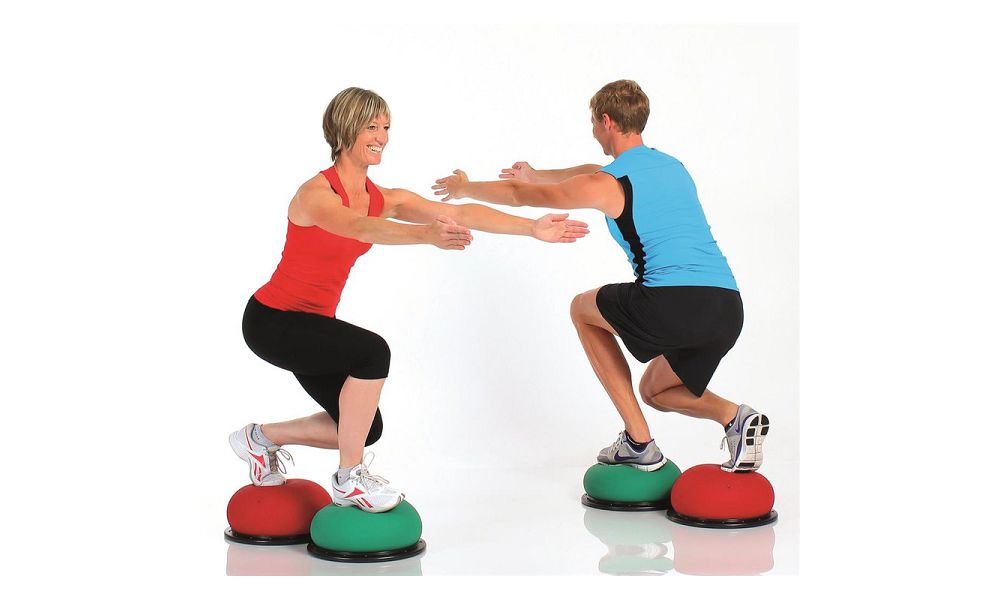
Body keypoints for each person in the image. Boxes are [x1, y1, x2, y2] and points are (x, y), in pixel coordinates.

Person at [230, 87, 590, 513]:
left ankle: (259, 438)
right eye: (372, 127)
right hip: (272, 321)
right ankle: (349, 479)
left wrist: (531, 228)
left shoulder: (382, 197)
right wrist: (425, 236)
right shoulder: (315, 195)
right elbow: (359, 228)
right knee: (371, 353)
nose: (382, 137)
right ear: (346, 128)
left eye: (386, 127)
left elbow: (459, 214)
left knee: (364, 428)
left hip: (312, 324)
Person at [432, 80, 768, 473]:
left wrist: (466, 187)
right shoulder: (672, 166)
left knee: (582, 309)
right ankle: (735, 417)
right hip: (726, 307)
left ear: (606, 121)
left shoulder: (609, 183)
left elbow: (520, 196)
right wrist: (538, 174)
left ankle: (639, 442)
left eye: (594, 123)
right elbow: (589, 172)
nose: (593, 132)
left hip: (672, 302)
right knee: (656, 390)